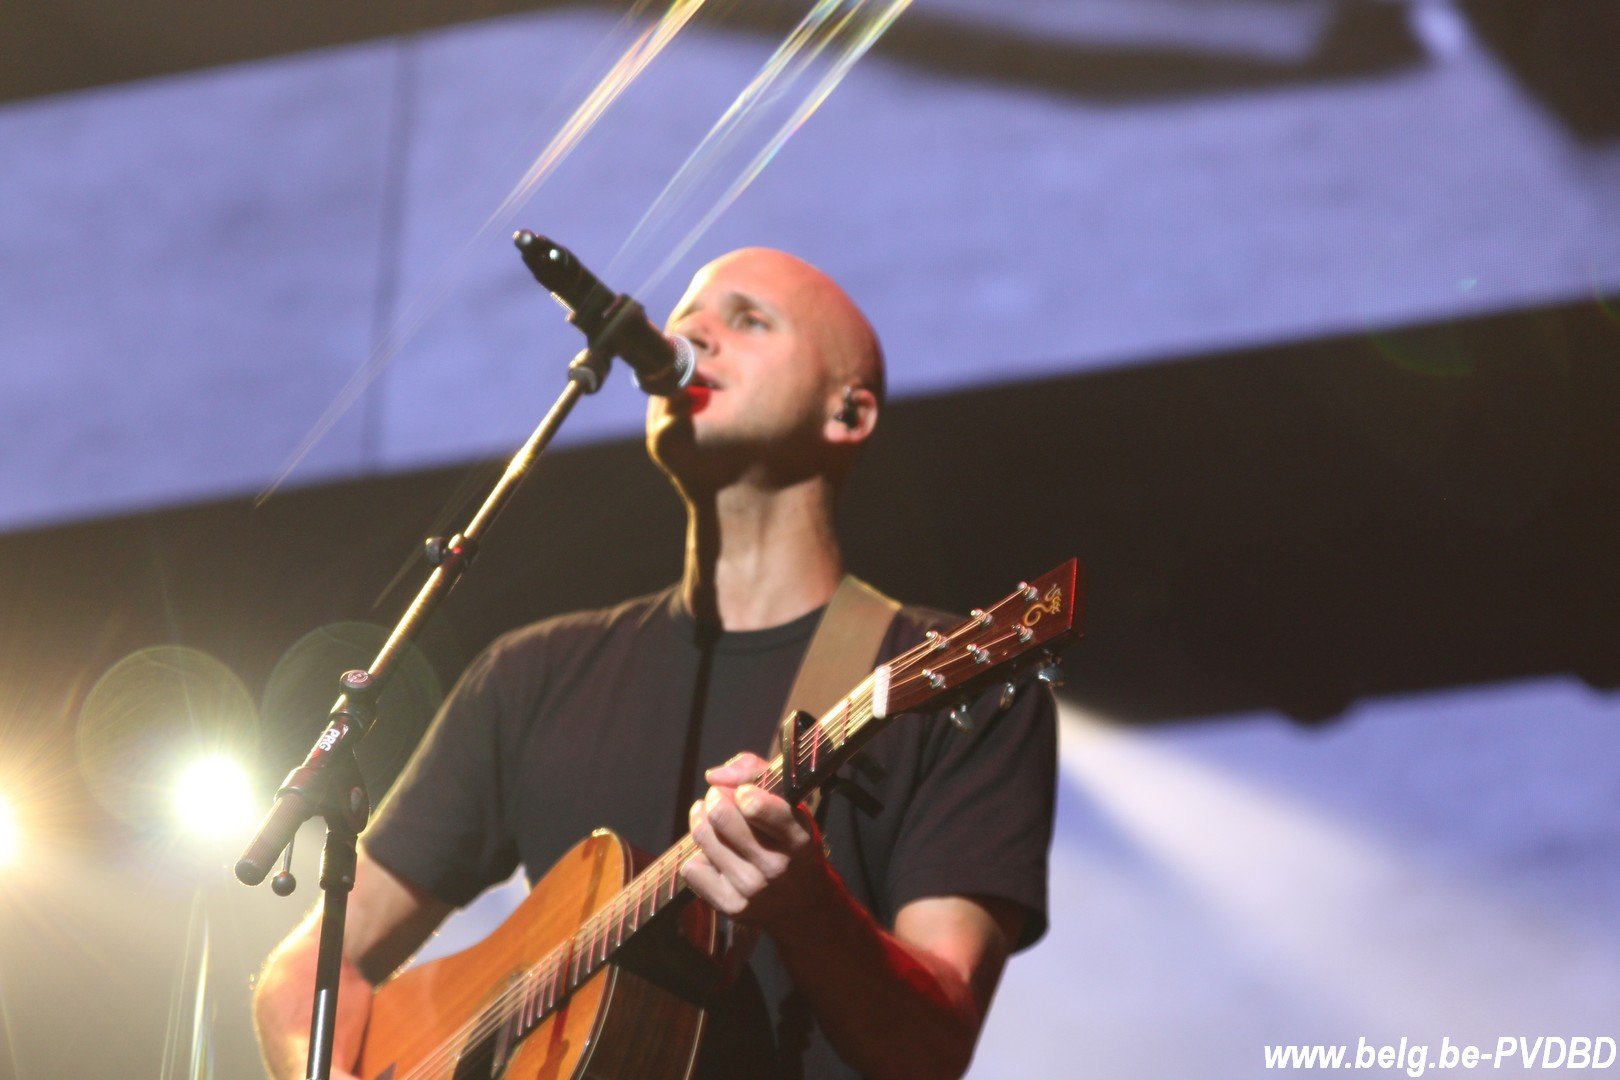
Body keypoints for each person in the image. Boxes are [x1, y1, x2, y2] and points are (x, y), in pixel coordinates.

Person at [252, 247, 1057, 1079]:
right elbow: (301, 977)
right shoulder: (529, 676)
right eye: (686, 320)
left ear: (847, 413)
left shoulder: (954, 675)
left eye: (748, 320)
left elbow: (933, 1050)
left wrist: (807, 906)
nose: (693, 333)